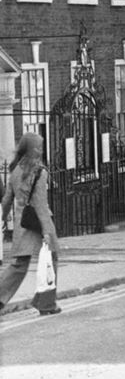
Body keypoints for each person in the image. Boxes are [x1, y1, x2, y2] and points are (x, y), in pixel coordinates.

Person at [0, 133, 61, 315]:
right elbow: (40, 204)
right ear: (32, 148)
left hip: (22, 223)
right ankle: (46, 303)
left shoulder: (15, 170)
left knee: (19, 264)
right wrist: (47, 232)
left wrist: (2, 218)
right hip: (39, 223)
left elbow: (7, 200)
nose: (41, 150)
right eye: (39, 147)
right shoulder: (40, 172)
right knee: (51, 259)